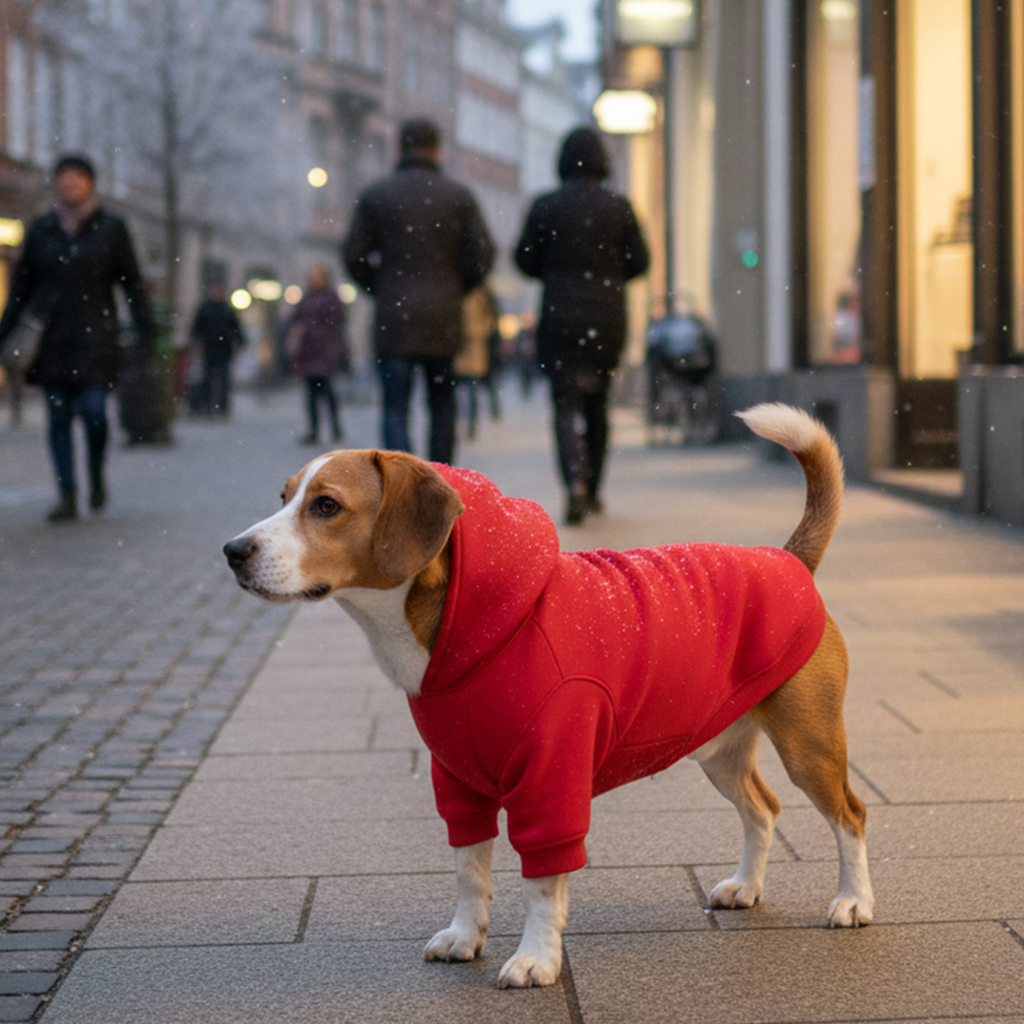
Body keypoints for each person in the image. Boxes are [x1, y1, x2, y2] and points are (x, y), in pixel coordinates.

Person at [0, 153, 154, 522]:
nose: (68, 184)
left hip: (97, 338)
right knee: (58, 420)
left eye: (76, 178)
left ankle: (96, 478)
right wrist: (4, 332)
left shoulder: (111, 228)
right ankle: (67, 493)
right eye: (63, 178)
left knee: (95, 415)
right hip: (52, 341)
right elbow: (21, 288)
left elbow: (130, 282)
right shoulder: (41, 229)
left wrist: (144, 326)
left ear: (90, 184)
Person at [515, 126, 650, 525]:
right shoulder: (618, 207)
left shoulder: (546, 207)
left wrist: (556, 269)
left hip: (559, 316)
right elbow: (640, 262)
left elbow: (525, 260)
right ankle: (592, 488)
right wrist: (607, 272)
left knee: (564, 402)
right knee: (597, 403)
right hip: (606, 317)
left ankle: (572, 482)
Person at [342, 118, 495, 464]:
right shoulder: (458, 196)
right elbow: (483, 254)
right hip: (442, 316)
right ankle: (440, 480)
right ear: (436, 149)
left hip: (394, 315)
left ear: (400, 147)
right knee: (442, 402)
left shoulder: (377, 195)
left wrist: (380, 285)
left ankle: (401, 485)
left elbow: (353, 255)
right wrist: (455, 286)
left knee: (395, 405)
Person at [286, 264, 349, 445]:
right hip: (308, 351)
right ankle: (314, 430)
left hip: (325, 350)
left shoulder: (331, 298)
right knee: (311, 393)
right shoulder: (306, 298)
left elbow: (339, 323)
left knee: (327, 391)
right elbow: (295, 320)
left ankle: (335, 428)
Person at [188, 281, 244, 417]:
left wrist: (240, 341)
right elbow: (196, 327)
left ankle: (222, 408)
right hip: (209, 348)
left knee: (223, 380)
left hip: (223, 350)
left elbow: (235, 327)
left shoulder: (226, 309)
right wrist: (195, 341)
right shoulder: (206, 308)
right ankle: (207, 406)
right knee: (207, 379)